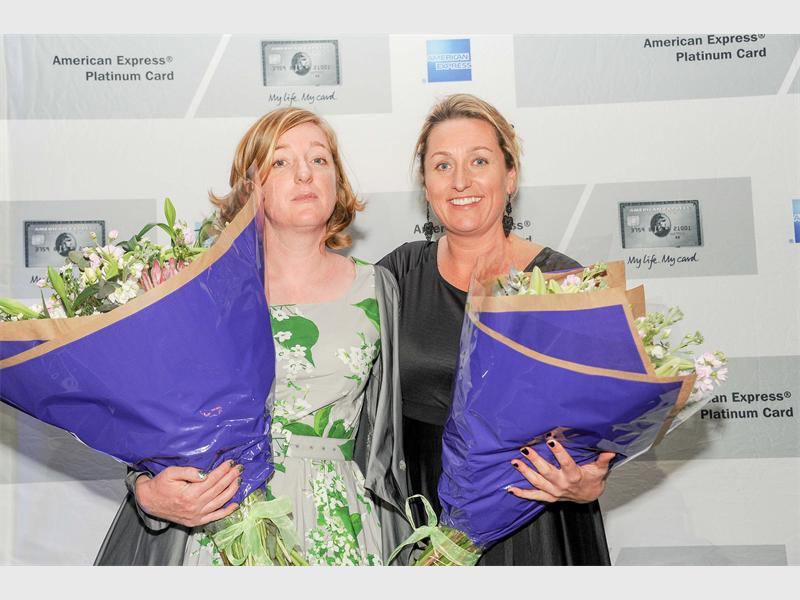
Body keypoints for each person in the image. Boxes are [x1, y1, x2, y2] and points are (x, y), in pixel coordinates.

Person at [95, 107, 410, 566]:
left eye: (319, 160)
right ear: (251, 188)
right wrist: (145, 488)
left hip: (338, 527)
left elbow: (389, 443)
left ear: (338, 182)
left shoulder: (378, 289)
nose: (304, 173)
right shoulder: (206, 289)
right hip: (221, 519)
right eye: (280, 161)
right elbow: (156, 416)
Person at [378, 93, 615, 566]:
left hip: (534, 517)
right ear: (425, 185)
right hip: (424, 517)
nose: (460, 180)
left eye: (479, 161)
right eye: (442, 165)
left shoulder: (561, 283)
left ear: (510, 176)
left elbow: (601, 419)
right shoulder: (398, 275)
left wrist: (591, 477)